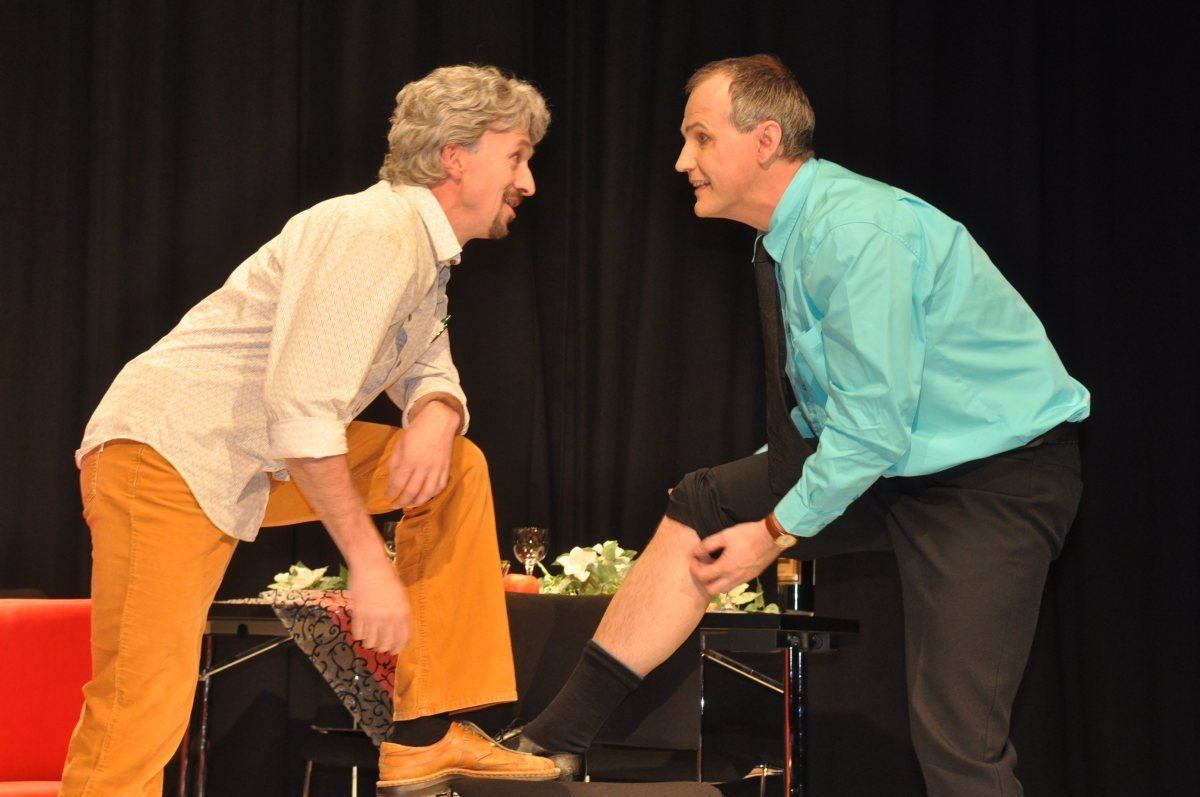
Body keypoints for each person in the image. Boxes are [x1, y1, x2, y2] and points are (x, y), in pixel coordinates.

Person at [504, 55, 1089, 797]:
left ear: (765, 140)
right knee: (704, 501)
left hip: (993, 479)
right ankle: (550, 741)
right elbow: (831, 417)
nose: (682, 161)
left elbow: (872, 426)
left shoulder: (856, 231)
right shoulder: (786, 239)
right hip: (895, 463)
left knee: (957, 734)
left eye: (699, 138)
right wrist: (769, 497)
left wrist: (775, 530)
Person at [62, 64, 560, 796]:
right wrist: (369, 564)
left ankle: (423, 736)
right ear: (456, 155)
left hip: (254, 456)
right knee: (143, 702)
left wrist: (437, 412)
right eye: (516, 157)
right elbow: (302, 415)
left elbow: (429, 364)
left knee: (457, 468)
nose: (528, 182)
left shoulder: (424, 255)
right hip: (168, 454)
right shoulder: (373, 232)